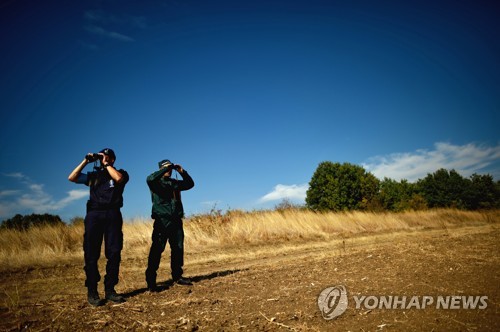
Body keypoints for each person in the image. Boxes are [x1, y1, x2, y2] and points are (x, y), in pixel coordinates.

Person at [68, 148, 129, 306]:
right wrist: (85, 161)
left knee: (114, 252)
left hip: (113, 214)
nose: (104, 159)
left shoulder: (121, 172)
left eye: (107, 157)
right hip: (94, 215)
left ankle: (110, 290)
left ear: (113, 159)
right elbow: (72, 177)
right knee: (91, 253)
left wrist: (107, 164)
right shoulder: (93, 176)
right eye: (102, 156)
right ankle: (92, 290)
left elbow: (119, 179)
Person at [145, 159, 195, 291]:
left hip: (176, 221)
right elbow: (149, 179)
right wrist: (164, 169)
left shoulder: (174, 183)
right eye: (166, 168)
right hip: (162, 221)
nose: (169, 170)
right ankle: (151, 281)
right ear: (160, 169)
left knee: (178, 249)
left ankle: (177, 276)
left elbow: (190, 184)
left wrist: (182, 171)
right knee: (157, 250)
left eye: (170, 168)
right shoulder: (156, 183)